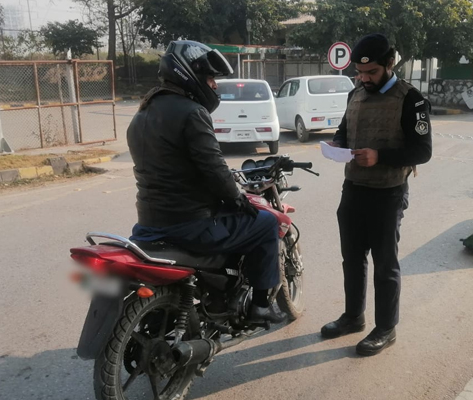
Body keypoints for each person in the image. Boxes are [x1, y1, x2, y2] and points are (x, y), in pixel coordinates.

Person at [126, 40, 286, 324]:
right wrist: (237, 199)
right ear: (190, 74)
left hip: (149, 223)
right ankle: (260, 306)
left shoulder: (142, 113)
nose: (214, 85)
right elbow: (214, 168)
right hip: (190, 225)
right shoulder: (191, 112)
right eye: (210, 78)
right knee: (265, 223)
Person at [322, 34, 432, 356]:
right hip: (353, 189)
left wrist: (379, 156)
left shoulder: (411, 99)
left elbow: (422, 151)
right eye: (359, 72)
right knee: (352, 259)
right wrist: (338, 143)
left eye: (371, 73)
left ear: (389, 64)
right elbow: (344, 128)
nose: (364, 79)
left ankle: (386, 327)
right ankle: (353, 316)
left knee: (385, 264)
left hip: (388, 193)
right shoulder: (355, 93)